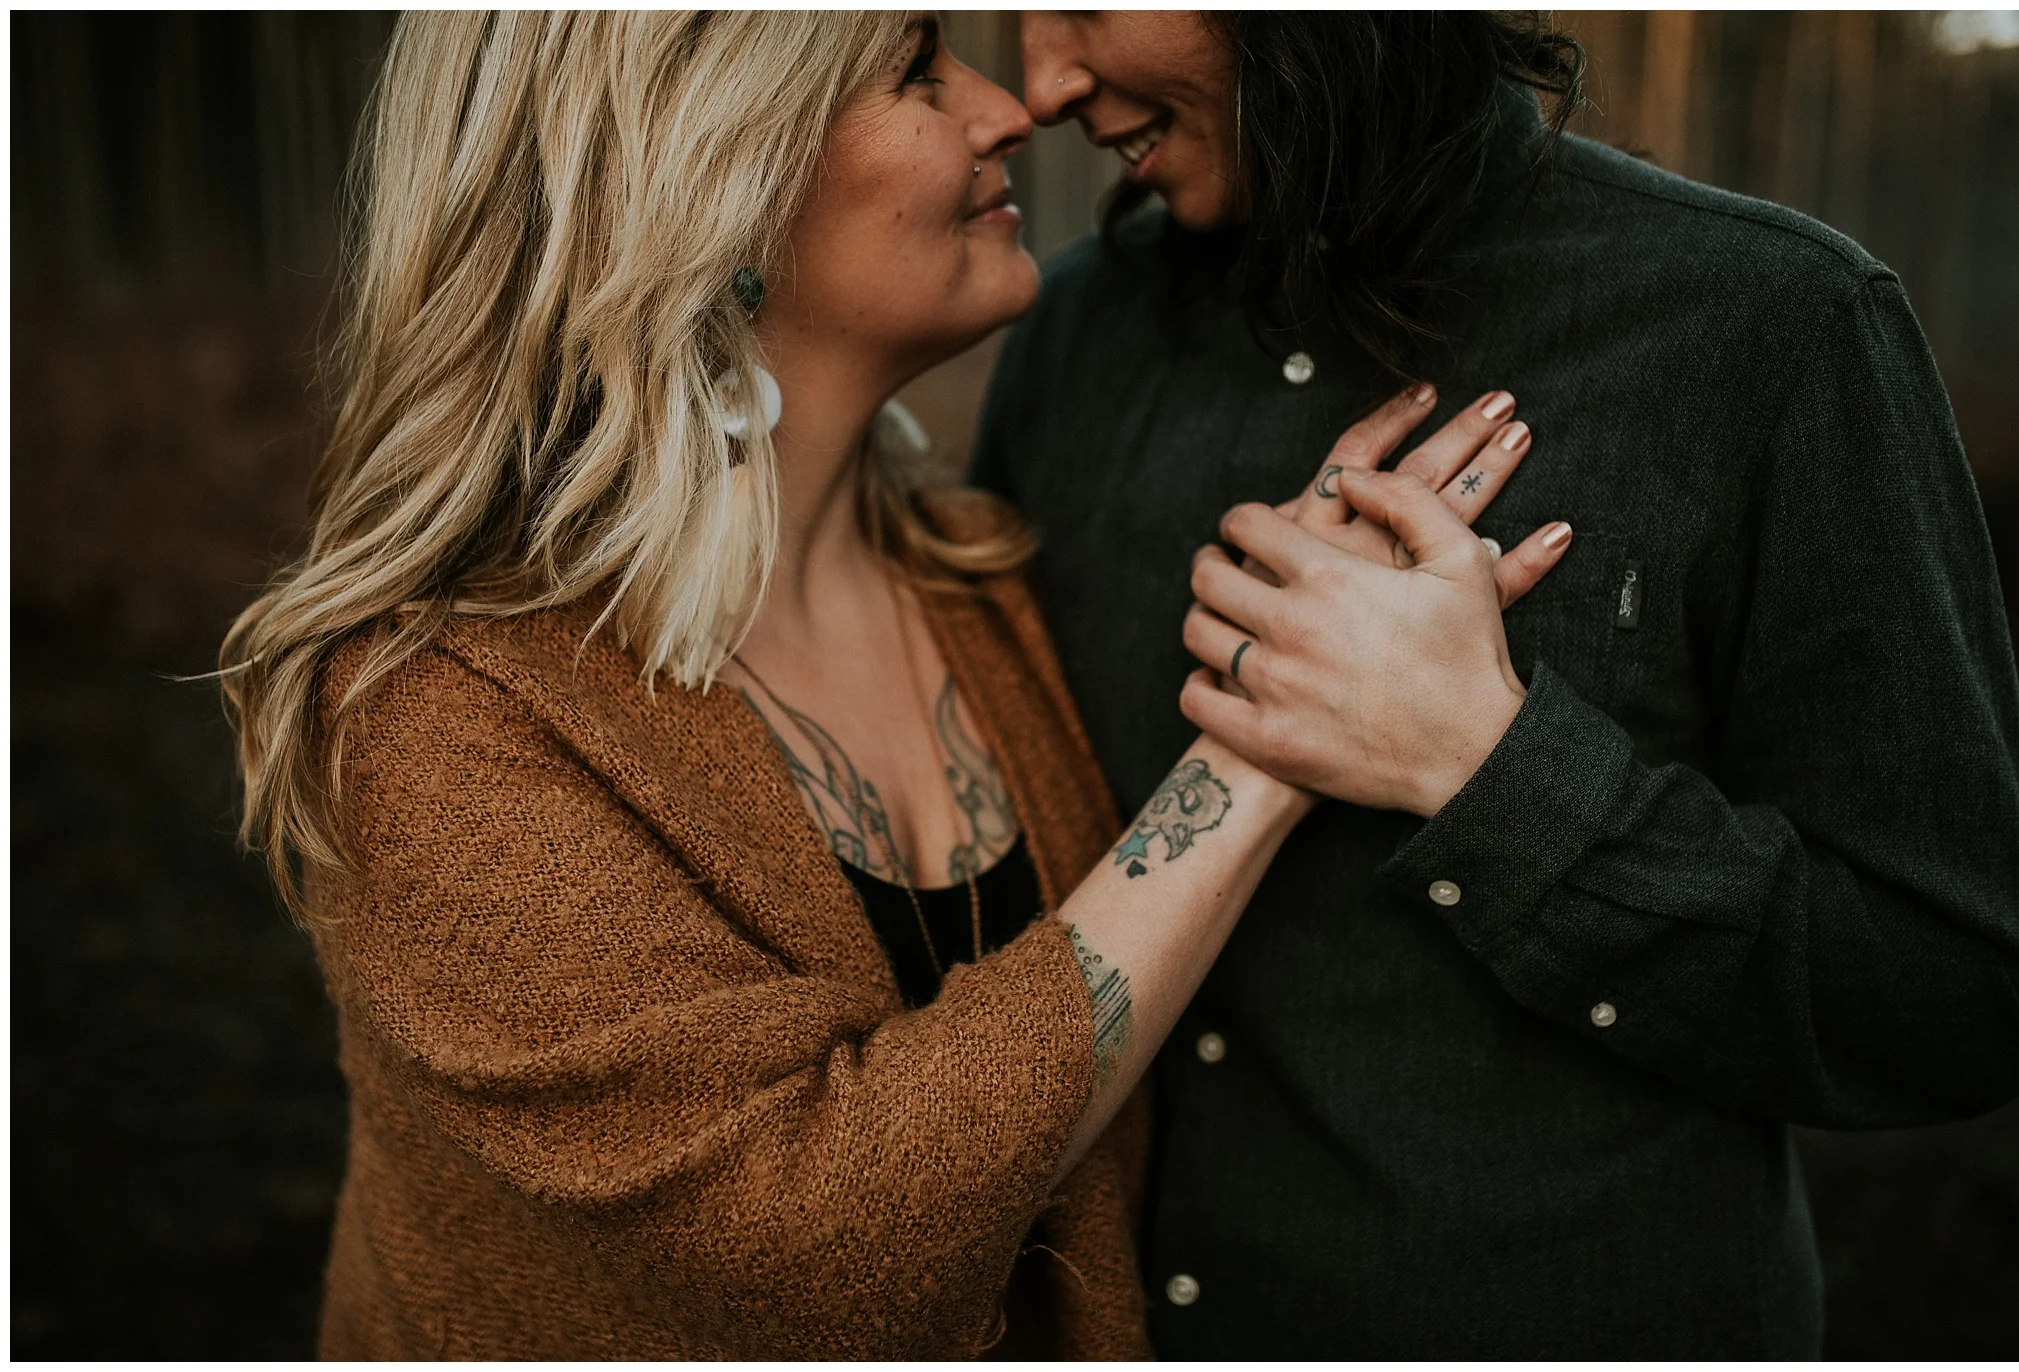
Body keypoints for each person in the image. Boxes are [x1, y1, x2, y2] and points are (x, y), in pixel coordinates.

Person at [217, 12, 1559, 1359]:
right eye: (917, 71)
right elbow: (807, 1255)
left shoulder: (973, 579)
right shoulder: (444, 713)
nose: (1008, 108)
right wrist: (1265, 741)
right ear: (708, 176)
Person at [974, 10, 2019, 1360]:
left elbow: (1961, 993)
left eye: (1081, 3)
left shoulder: (1771, 326)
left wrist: (1490, 768)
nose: (1045, 77)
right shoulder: (1072, 331)